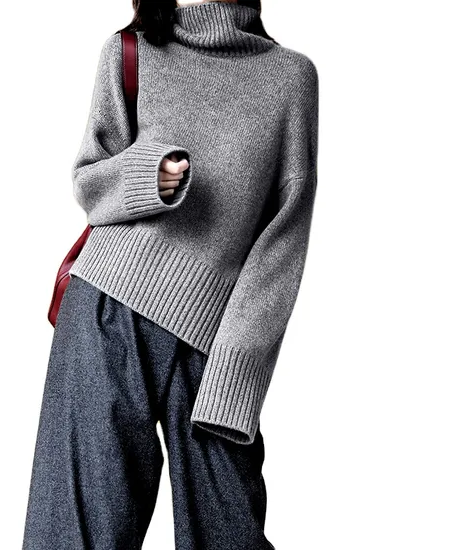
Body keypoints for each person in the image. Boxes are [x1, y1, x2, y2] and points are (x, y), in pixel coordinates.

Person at [22, 0, 319, 548]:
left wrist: (239, 363)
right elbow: (89, 182)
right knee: (74, 534)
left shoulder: (291, 77)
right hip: (107, 307)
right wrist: (146, 177)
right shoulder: (129, 50)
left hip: (215, 338)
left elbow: (284, 237)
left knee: (230, 534)